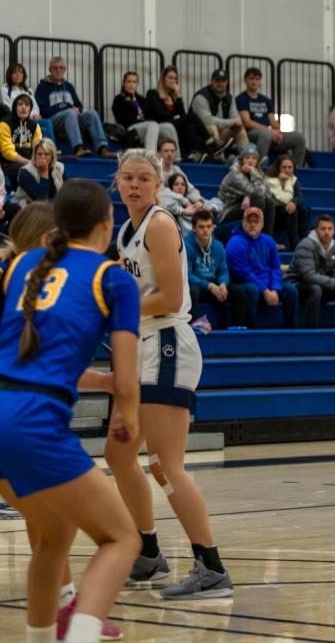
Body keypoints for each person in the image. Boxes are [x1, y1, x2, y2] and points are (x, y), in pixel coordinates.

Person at [0, 179, 141, 643]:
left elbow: (24, 354)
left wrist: (95, 382)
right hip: (32, 423)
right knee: (121, 538)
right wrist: (127, 415)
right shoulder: (113, 277)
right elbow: (127, 380)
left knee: (53, 534)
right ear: (108, 223)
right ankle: (80, 635)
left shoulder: (20, 264)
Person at [106, 148, 233, 600]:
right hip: (143, 343)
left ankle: (211, 566)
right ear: (118, 183)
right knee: (120, 455)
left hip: (166, 342)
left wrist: (112, 311)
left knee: (165, 464)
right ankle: (148, 553)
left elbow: (171, 297)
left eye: (143, 177)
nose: (135, 184)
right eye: (127, 177)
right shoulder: (126, 229)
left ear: (158, 184)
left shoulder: (160, 224)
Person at [225, 206, 299, 329]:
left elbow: (275, 267)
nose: (253, 225)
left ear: (262, 224)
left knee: (291, 290)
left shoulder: (268, 240)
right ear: (243, 222)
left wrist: (275, 288)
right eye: (249, 221)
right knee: (252, 289)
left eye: (256, 221)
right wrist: (265, 290)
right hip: (245, 283)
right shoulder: (235, 243)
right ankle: (252, 329)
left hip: (268, 286)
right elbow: (244, 273)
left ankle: (290, 329)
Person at [35, 56, 113, 158]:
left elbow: (78, 104)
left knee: (92, 114)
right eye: (55, 68)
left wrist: (78, 109)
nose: (58, 70)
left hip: (71, 118)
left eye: (61, 68)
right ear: (50, 70)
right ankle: (78, 148)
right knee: (70, 113)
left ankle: (102, 148)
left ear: (64, 70)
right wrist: (67, 110)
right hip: (54, 120)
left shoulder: (68, 86)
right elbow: (43, 110)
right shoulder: (42, 87)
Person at [287, 213, 335, 329]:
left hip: (322, 285)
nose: (327, 232)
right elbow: (308, 276)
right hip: (297, 285)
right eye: (323, 229)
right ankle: (311, 331)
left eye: (330, 229)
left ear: (334, 231)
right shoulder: (305, 244)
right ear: (316, 230)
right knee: (315, 289)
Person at [185, 210, 249, 329]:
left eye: (209, 226)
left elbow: (223, 270)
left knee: (238, 291)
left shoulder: (218, 246)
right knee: (192, 290)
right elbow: (188, 275)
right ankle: (192, 326)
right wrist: (210, 286)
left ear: (213, 228)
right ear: (193, 228)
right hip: (198, 287)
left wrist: (223, 284)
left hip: (214, 287)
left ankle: (237, 327)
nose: (205, 230)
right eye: (201, 227)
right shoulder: (186, 246)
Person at [236, 67, 307, 167]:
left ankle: (296, 168)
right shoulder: (241, 99)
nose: (254, 82)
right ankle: (258, 166)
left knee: (299, 137)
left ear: (260, 81)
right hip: (250, 133)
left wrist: (278, 131)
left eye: (257, 79)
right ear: (245, 80)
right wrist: (270, 131)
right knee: (265, 134)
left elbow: (273, 122)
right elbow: (247, 122)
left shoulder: (266, 100)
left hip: (268, 133)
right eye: (251, 78)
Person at [145, 66, 218, 161]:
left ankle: (194, 153)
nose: (173, 81)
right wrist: (177, 117)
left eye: (175, 78)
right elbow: (160, 114)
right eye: (170, 78)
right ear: (163, 79)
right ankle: (209, 140)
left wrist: (179, 96)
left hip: (174, 125)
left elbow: (182, 115)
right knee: (192, 116)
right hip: (160, 124)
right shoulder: (153, 93)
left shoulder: (174, 97)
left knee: (190, 125)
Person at [112, 70, 174, 153]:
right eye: (129, 81)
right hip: (130, 130)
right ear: (124, 84)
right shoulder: (119, 99)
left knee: (168, 126)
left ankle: (177, 157)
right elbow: (122, 119)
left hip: (147, 127)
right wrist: (141, 119)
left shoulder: (142, 99)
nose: (131, 84)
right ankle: (150, 156)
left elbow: (151, 115)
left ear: (137, 84)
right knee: (153, 124)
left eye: (134, 82)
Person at [218, 144, 275, 235]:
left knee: (269, 202)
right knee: (258, 201)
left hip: (243, 205)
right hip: (228, 210)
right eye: (247, 158)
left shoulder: (257, 173)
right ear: (241, 160)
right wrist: (253, 172)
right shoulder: (234, 174)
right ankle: (255, 235)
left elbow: (268, 194)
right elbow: (258, 192)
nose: (250, 161)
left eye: (253, 158)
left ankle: (268, 238)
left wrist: (247, 196)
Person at [192, 69, 248, 154]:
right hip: (201, 135)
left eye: (223, 81)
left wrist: (235, 122)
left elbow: (235, 117)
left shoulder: (229, 97)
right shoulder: (201, 97)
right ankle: (219, 160)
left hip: (221, 133)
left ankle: (247, 157)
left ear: (227, 82)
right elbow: (207, 120)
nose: (220, 84)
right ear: (211, 81)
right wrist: (232, 122)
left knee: (239, 128)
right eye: (217, 80)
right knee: (211, 127)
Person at [265, 155, 309, 249]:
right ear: (278, 168)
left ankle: (306, 243)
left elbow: (300, 197)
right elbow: (284, 199)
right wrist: (288, 182)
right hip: (273, 217)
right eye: (284, 167)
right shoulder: (271, 180)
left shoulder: (294, 179)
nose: (287, 170)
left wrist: (294, 202)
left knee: (302, 210)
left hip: (287, 214)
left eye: (290, 167)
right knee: (293, 210)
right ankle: (294, 244)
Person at [3, 63, 54, 141]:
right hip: (16, 119)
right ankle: (52, 148)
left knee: (44, 128)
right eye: (15, 73)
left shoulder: (28, 90)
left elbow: (35, 106)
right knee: (47, 123)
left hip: (31, 118)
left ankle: (47, 149)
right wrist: (27, 114)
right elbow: (8, 107)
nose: (18, 75)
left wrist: (35, 114)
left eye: (20, 72)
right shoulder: (4, 89)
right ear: (10, 75)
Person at [0, 92, 42, 180]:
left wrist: (39, 161)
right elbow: (8, 153)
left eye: (27, 105)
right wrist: (29, 163)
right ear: (15, 107)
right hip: (9, 163)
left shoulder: (35, 126)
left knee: (58, 167)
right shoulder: (5, 124)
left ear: (30, 108)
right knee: (27, 170)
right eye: (20, 104)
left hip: (30, 160)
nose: (23, 107)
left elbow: (38, 147)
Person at [13, 138, 63, 207]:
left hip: (52, 206)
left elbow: (66, 192)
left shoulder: (60, 167)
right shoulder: (25, 171)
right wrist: (44, 172)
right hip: (26, 208)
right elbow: (41, 199)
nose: (42, 157)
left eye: (46, 154)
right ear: (35, 155)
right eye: (39, 154)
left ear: (52, 156)